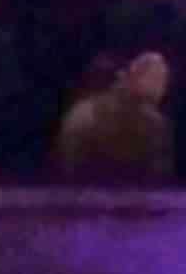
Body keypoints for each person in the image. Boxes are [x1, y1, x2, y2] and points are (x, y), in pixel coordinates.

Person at [55, 52, 175, 186]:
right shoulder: (83, 116)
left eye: (163, 79)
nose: (160, 86)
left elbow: (159, 172)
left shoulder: (155, 123)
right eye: (153, 77)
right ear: (129, 76)